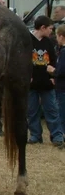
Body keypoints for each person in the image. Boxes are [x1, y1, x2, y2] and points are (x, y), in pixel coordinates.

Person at [28, 16, 63, 147]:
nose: (51, 32)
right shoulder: (28, 41)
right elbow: (23, 60)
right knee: (32, 111)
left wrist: (53, 76)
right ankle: (35, 135)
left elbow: (54, 59)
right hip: (32, 83)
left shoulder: (49, 42)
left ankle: (57, 135)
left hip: (47, 83)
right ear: (42, 28)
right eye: (49, 29)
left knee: (52, 109)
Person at [53, 24, 65, 134]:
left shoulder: (63, 52)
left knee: (62, 113)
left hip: (62, 88)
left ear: (61, 36)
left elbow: (61, 70)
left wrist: (52, 71)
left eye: (56, 36)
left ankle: (62, 133)